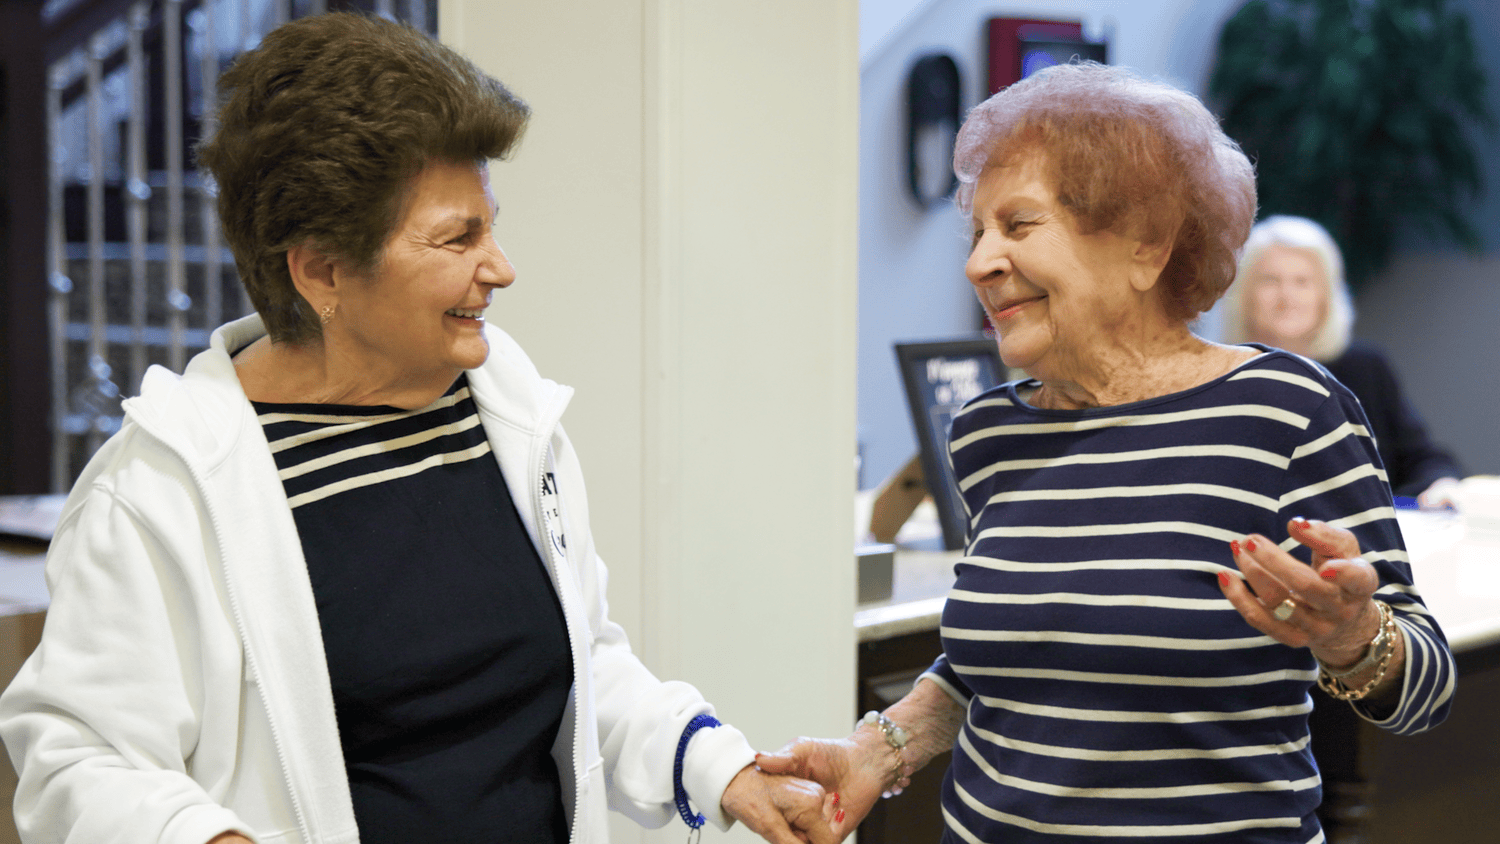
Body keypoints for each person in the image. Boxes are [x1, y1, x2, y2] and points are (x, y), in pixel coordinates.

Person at [0, 14, 832, 844]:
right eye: (457, 237)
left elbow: (581, 666)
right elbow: (77, 763)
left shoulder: (506, 415)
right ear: (322, 269)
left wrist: (719, 767)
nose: (501, 267)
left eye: (491, 224)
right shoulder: (161, 490)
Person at [757, 62, 1455, 844]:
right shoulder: (988, 436)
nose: (978, 262)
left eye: (1018, 227)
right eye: (978, 231)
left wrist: (1353, 638)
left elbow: (1426, 687)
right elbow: (1017, 656)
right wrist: (877, 751)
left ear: (1147, 247)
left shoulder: (1285, 410)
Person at [1220, 214, 1463, 507]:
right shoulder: (1220, 374)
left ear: (1326, 296)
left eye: (1303, 282)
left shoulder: (1366, 367)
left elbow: (1423, 458)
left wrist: (1441, 483)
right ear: (1242, 295)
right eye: (1270, 281)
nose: (1287, 296)